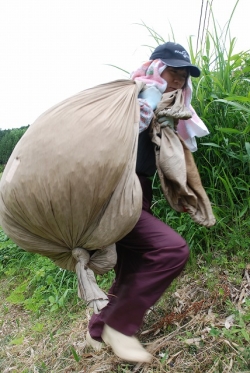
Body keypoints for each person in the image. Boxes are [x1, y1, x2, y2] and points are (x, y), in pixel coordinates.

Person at [86, 42, 202, 363]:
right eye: (172, 71)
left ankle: (97, 330)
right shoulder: (134, 97)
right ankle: (119, 328)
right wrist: (143, 109)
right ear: (154, 66)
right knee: (171, 250)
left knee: (131, 269)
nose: (178, 79)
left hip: (140, 192)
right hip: (115, 193)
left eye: (183, 75)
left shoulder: (163, 108)